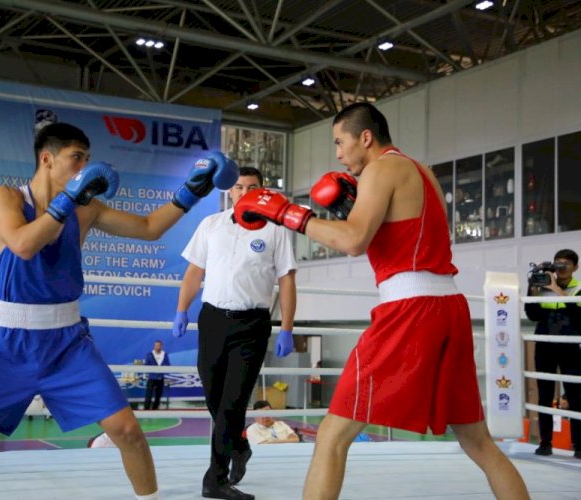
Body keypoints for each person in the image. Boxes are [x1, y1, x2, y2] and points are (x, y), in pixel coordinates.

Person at [233, 102, 530, 500]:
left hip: (410, 310)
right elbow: (403, 236)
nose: (338, 153)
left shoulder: (381, 169)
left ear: (365, 138)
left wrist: (288, 213)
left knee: (332, 436)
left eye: (340, 142)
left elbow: (354, 241)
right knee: (477, 441)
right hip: (449, 307)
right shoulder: (421, 171)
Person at [0, 122, 238, 500]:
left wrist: (190, 193)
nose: (85, 168)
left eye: (87, 160)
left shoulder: (84, 209)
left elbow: (148, 227)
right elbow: (24, 245)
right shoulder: (6, 197)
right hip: (8, 346)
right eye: (77, 158)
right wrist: (66, 201)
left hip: (68, 343)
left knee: (128, 432)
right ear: (47, 159)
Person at [173, 165, 297, 500]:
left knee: (231, 403)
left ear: (263, 190)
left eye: (252, 187)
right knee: (215, 398)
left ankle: (215, 478)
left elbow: (286, 280)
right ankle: (239, 446)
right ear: (230, 191)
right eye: (239, 187)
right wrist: (181, 309)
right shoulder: (211, 225)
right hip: (212, 320)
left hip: (251, 326)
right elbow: (194, 271)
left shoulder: (276, 229)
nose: (245, 192)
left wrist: (287, 327)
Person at [524, 248, 581, 459]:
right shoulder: (543, 285)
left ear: (575, 267)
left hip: (570, 348)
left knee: (576, 397)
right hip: (545, 347)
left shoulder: (578, 289)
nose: (561, 268)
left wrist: (557, 289)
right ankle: (545, 442)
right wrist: (533, 289)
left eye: (566, 264)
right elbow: (532, 314)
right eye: (558, 263)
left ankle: (579, 445)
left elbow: (578, 317)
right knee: (544, 396)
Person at [143, 340, 171, 410]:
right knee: (148, 395)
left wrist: (162, 368)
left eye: (159, 345)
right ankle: (146, 409)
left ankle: (155, 409)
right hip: (151, 378)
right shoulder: (149, 355)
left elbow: (168, 365)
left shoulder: (165, 355)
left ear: (161, 346)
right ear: (154, 346)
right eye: (156, 345)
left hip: (160, 378)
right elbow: (146, 365)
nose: (157, 347)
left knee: (158, 395)